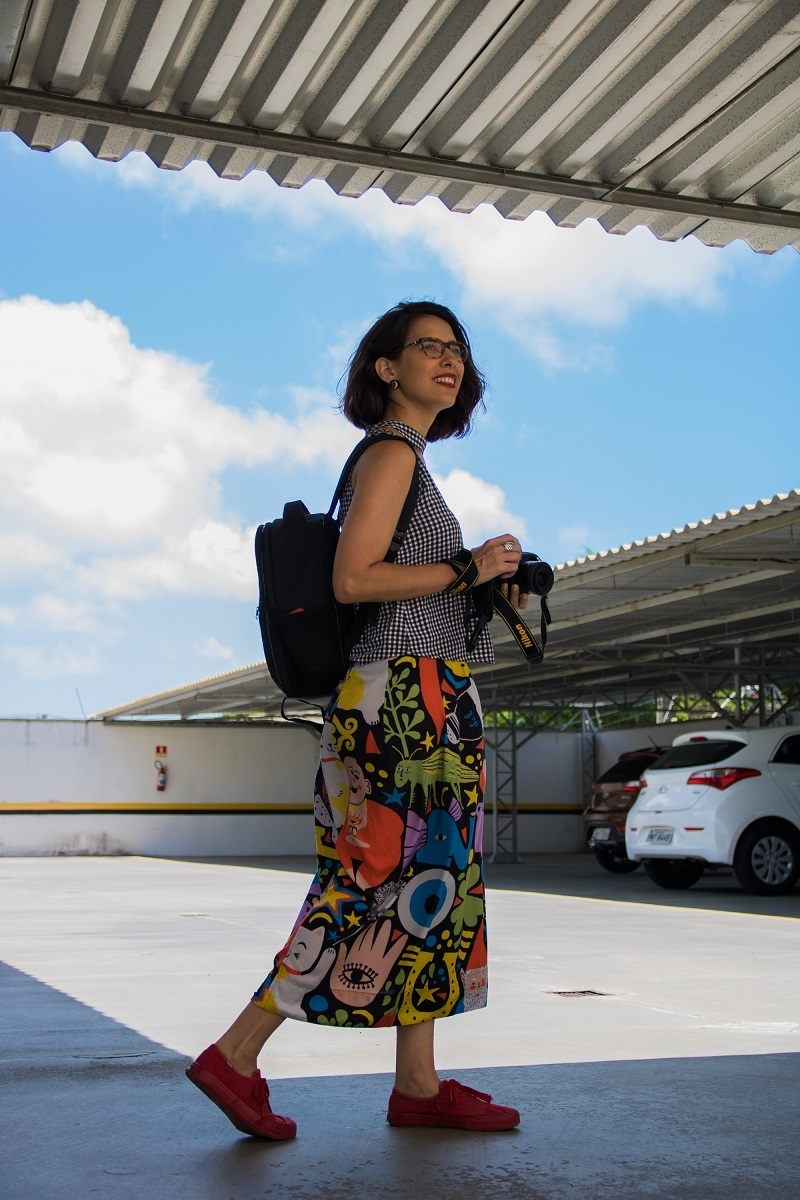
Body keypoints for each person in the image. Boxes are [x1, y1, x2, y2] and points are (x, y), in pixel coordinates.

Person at [186, 300, 528, 1137]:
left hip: (423, 695)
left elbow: (399, 584)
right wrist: (467, 565)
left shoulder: (409, 460)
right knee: (374, 877)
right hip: (406, 701)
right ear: (387, 368)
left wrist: (484, 586)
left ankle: (418, 1084)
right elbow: (354, 579)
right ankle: (235, 1054)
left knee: (432, 883)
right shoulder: (390, 453)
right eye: (427, 346)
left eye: (457, 349)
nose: (449, 360)